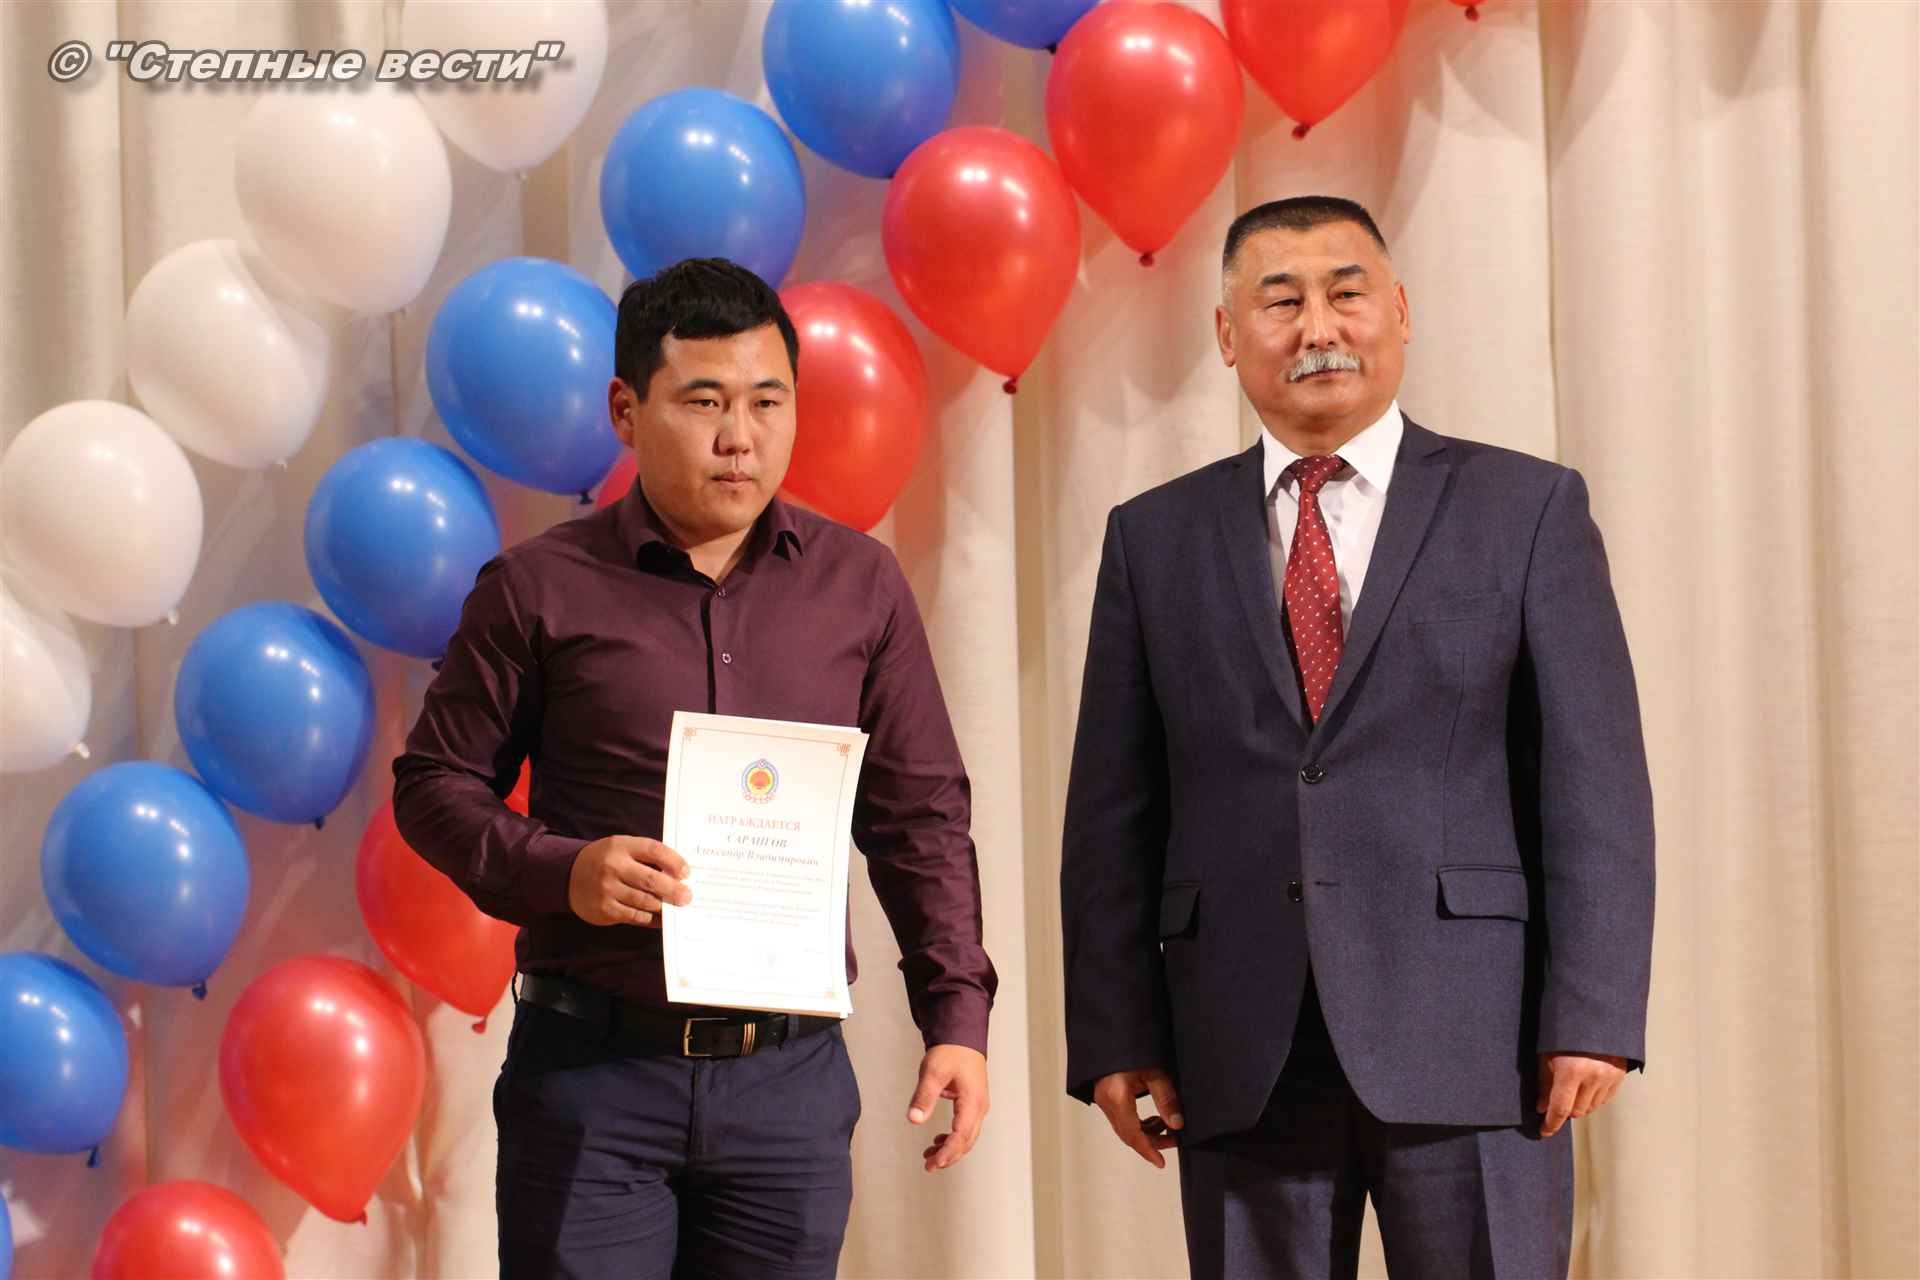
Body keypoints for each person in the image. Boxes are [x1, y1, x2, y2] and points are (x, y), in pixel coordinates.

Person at [1060, 196, 1655, 1279]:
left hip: (1478, 1032)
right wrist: (1116, 1028)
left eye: (1347, 293)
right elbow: (1113, 805)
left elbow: (1595, 780)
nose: (1319, 326)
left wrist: (1593, 1010)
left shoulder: (1525, 508)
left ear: (1401, 312)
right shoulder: (1153, 537)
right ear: (1227, 334)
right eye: (1280, 302)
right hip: (1239, 1038)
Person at [394, 257, 995, 1279]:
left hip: (787, 1087)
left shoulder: (861, 586)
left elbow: (920, 817)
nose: (740, 437)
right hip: (592, 1074)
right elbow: (434, 785)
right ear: (626, 411)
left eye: (768, 401)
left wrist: (957, 1016)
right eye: (704, 402)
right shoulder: (538, 587)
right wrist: (562, 869)